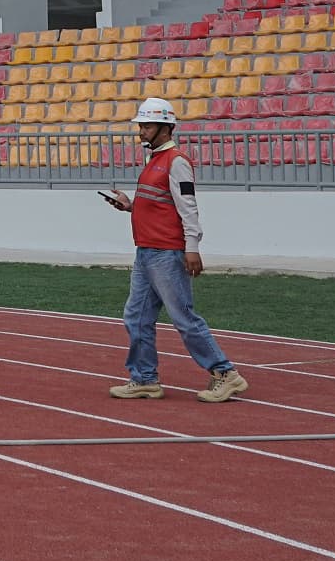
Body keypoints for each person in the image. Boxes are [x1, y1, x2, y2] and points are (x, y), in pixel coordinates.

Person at [98, 97, 247, 403]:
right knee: (136, 318)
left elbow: (188, 208)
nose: (141, 131)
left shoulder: (176, 162)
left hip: (166, 254)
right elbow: (160, 206)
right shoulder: (154, 160)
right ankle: (144, 379)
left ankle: (225, 373)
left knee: (183, 317)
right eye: (141, 125)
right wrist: (130, 206)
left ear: (166, 128)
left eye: (147, 125)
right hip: (146, 252)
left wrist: (192, 248)